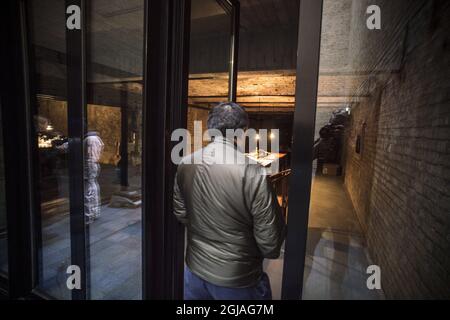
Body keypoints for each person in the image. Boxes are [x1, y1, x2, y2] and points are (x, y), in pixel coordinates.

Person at [173, 102, 286, 300]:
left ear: (210, 129)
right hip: (238, 279)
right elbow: (270, 243)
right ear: (242, 133)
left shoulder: (185, 163)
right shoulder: (253, 171)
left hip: (194, 271)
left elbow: (181, 212)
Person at [84, 131, 104, 224]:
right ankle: (95, 212)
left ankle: (89, 215)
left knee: (88, 190)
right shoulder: (98, 139)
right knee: (94, 186)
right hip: (95, 164)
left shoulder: (89, 139)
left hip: (89, 164)